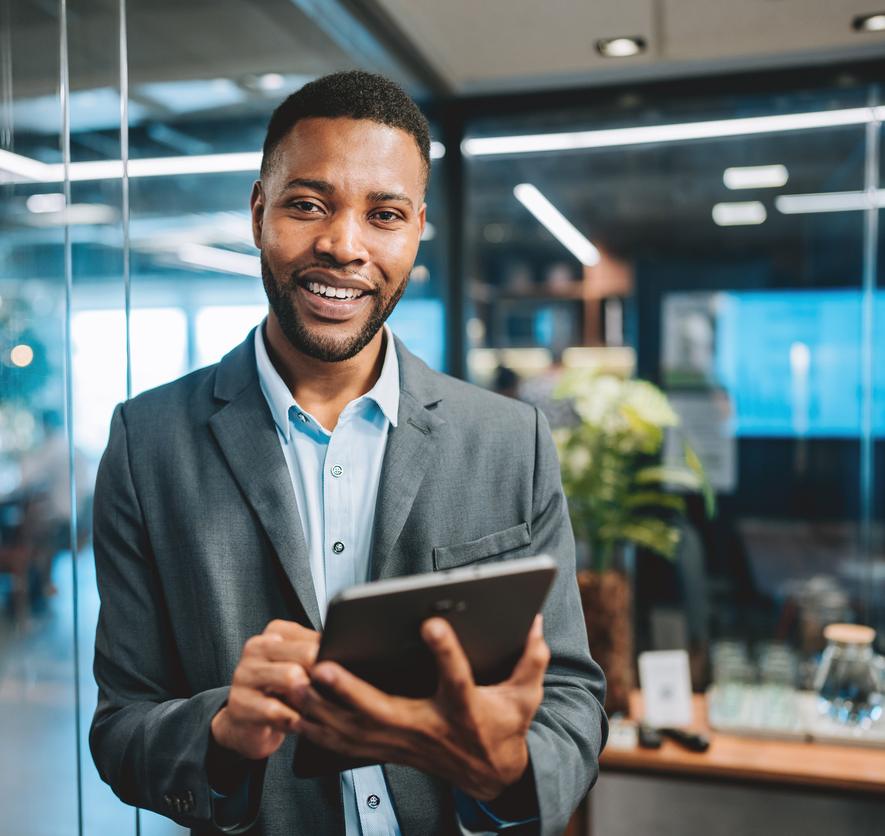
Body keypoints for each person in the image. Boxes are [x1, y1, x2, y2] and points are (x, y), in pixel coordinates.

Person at [90, 71, 606, 836]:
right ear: (259, 211)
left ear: (416, 229)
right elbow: (122, 728)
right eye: (308, 204)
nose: (343, 245)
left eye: (384, 214)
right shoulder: (147, 443)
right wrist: (224, 731)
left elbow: (571, 700)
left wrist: (505, 769)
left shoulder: (509, 441)